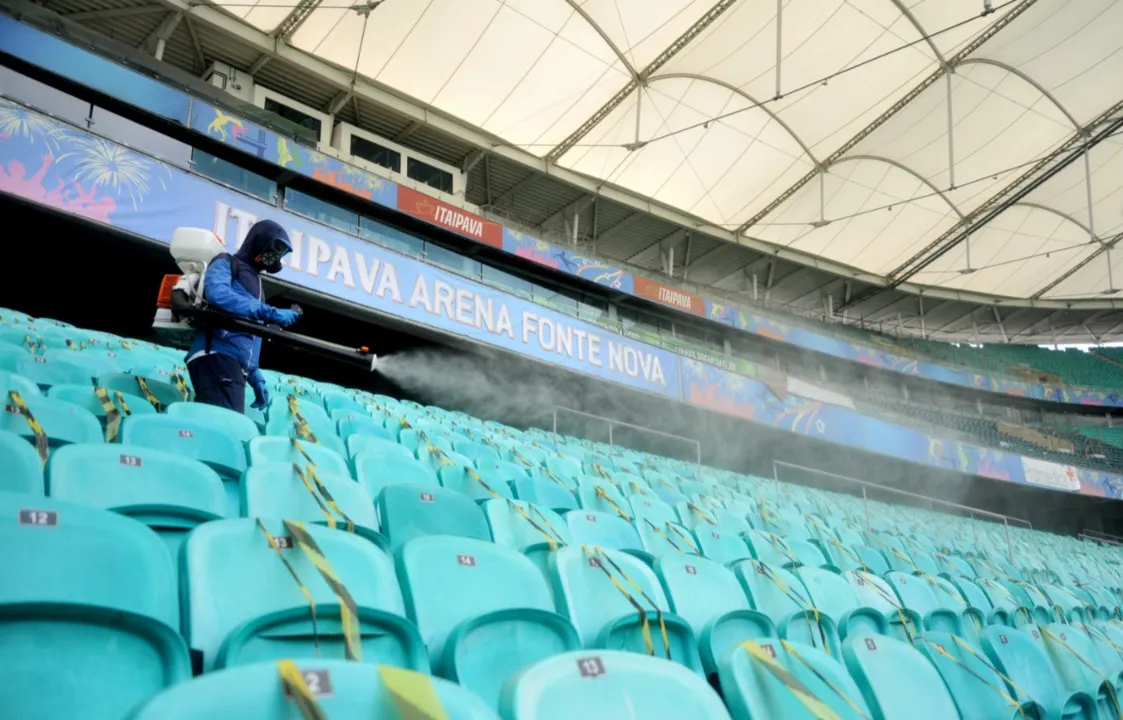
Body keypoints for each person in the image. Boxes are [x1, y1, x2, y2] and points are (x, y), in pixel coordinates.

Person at [185, 219, 300, 413]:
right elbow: (218, 295)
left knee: (220, 427)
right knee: (226, 427)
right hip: (216, 355)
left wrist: (255, 376)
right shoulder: (226, 262)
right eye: (276, 247)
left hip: (233, 365)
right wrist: (269, 311)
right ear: (260, 240)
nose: (275, 256)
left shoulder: (258, 286)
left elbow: (251, 335)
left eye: (281, 252)